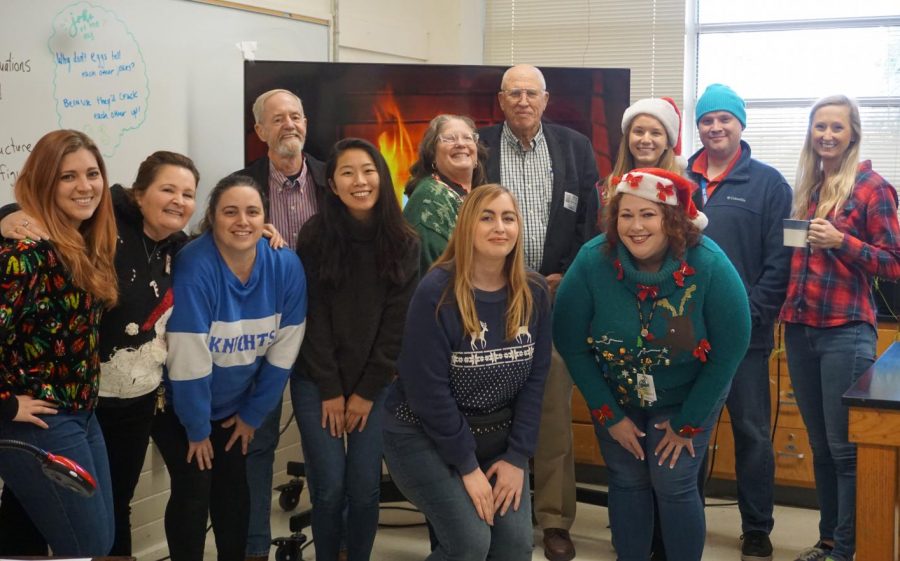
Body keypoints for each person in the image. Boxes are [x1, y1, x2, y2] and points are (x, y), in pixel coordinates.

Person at [554, 169, 751, 560]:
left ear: (672, 218)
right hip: (617, 392)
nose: (635, 226)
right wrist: (609, 414)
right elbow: (570, 342)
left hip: (689, 392)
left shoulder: (709, 263)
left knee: (673, 480)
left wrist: (687, 424)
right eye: (626, 215)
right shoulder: (593, 260)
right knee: (627, 479)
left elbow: (731, 348)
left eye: (648, 214)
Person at [384, 184, 552, 561]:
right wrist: (468, 467)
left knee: (512, 548)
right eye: (487, 217)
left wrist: (516, 458)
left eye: (509, 218)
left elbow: (535, 383)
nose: (500, 227)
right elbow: (429, 393)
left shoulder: (534, 292)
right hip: (421, 434)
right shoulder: (437, 291)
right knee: (470, 544)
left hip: (498, 439)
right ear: (466, 227)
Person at [478, 63, 599, 561]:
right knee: (485, 408)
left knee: (550, 410)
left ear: (546, 100)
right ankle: (486, 510)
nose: (523, 101)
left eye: (532, 93)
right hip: (488, 299)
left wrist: (567, 275)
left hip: (552, 301)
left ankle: (552, 519)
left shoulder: (574, 147)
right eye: (514, 93)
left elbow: (588, 225)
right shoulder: (479, 147)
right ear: (501, 101)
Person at [154, 174, 307, 561]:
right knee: (194, 488)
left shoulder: (285, 266)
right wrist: (197, 429)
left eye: (252, 212)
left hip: (234, 408)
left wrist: (252, 415)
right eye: (230, 212)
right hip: (179, 405)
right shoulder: (195, 264)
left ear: (265, 220)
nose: (242, 221)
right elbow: (189, 360)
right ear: (212, 217)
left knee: (234, 492)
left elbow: (283, 354)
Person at [780, 95, 900, 561]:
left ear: (853, 134)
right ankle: (829, 539)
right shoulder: (810, 188)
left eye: (836, 127)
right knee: (821, 447)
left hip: (845, 331)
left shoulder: (873, 188)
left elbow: (893, 264)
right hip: (799, 328)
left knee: (847, 449)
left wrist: (842, 241)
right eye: (819, 127)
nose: (827, 134)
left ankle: (847, 549)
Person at [291, 138, 417, 561]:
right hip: (316, 380)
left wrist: (365, 392)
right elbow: (313, 317)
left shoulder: (403, 240)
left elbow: (395, 327)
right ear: (332, 183)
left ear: (382, 177)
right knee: (328, 488)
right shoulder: (315, 236)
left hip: (375, 384)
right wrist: (330, 388)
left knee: (364, 490)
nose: (359, 181)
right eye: (347, 172)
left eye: (368, 170)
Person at [686, 83, 793, 561]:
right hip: (683, 334)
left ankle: (756, 528)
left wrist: (745, 320)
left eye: (724, 119)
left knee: (751, 432)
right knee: (686, 430)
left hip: (745, 338)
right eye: (707, 119)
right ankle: (681, 517)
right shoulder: (678, 181)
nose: (715, 127)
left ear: (741, 124)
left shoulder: (769, 184)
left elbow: (779, 264)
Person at [0, 129, 118, 556]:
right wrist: (6, 404)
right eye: (67, 177)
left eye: (92, 173)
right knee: (88, 543)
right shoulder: (25, 253)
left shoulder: (81, 241)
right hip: (37, 420)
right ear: (44, 181)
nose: (85, 186)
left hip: (81, 413)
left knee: (85, 539)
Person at [237, 87, 326, 560]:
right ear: (260, 132)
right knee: (258, 441)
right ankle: (253, 547)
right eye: (278, 119)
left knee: (323, 441)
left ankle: (334, 545)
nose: (289, 125)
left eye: (296, 115)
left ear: (306, 123)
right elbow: (216, 249)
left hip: (322, 333)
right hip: (261, 335)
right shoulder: (240, 186)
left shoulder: (334, 180)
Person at [605, 96, 689, 560]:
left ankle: (667, 543)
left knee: (672, 472)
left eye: (656, 131)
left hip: (673, 333)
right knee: (631, 468)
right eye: (637, 130)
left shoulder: (682, 189)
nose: (645, 139)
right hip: (620, 344)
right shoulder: (607, 187)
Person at [404, 114, 488, 272]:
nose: (461, 144)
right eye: (449, 138)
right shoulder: (428, 200)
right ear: (432, 154)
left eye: (468, 138)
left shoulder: (475, 195)